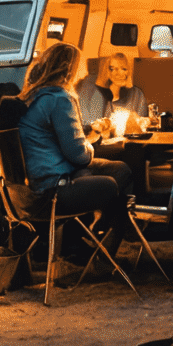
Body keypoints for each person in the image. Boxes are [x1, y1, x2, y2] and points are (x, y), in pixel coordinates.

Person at [17, 42, 135, 253]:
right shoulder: (60, 99)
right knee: (112, 183)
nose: (83, 72)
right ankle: (106, 244)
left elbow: (60, 140)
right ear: (69, 68)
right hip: (53, 187)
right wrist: (91, 142)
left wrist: (87, 135)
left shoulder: (36, 95)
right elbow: (79, 155)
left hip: (44, 177)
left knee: (119, 169)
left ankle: (83, 240)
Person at [74, 52, 150, 133]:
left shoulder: (136, 95)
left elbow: (143, 123)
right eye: (113, 69)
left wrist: (142, 121)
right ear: (106, 71)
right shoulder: (92, 92)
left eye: (124, 69)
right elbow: (92, 124)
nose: (120, 73)